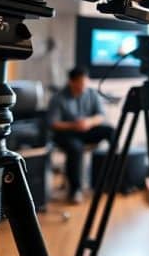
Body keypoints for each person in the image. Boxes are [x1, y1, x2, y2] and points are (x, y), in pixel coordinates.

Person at [47, 67, 115, 204]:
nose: (84, 86)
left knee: (110, 131)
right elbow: (53, 123)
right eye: (81, 83)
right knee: (75, 148)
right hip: (66, 133)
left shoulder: (91, 93)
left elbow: (101, 116)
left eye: (85, 83)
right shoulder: (58, 97)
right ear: (72, 82)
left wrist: (89, 121)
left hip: (87, 129)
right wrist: (74, 125)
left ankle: (114, 175)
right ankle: (75, 190)